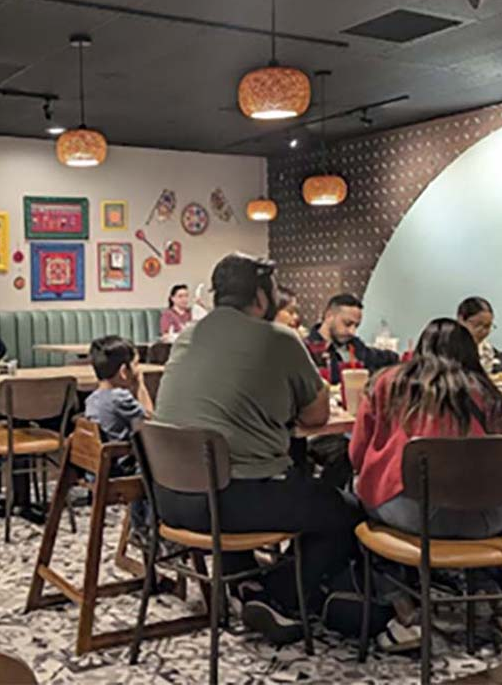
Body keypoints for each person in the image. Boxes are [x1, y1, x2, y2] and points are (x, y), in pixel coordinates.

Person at [154, 253, 360, 644]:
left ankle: (248, 587)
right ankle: (281, 592)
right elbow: (317, 415)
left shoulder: (188, 336)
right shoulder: (279, 338)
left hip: (170, 498)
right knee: (343, 511)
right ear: (262, 297)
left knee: (249, 474)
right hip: (229, 500)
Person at [349, 318, 502, 650]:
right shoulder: (489, 394)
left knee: (358, 500)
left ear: (419, 349)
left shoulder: (387, 383)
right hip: (491, 519)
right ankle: (493, 594)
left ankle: (404, 612)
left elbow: (357, 455)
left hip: (418, 516)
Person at [84, 335, 154, 476]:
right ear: (123, 372)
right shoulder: (120, 398)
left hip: (99, 469)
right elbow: (150, 421)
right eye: (136, 364)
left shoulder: (92, 399)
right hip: (123, 470)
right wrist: (140, 385)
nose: (138, 370)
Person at [306, 294, 399, 384]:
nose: (352, 332)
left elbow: (386, 358)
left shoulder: (355, 345)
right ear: (329, 316)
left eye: (356, 326)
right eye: (347, 324)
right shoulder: (308, 350)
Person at [457, 296, 502, 374]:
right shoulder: (446, 354)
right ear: (461, 320)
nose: (483, 331)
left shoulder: (493, 356)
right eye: (477, 325)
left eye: (487, 326)